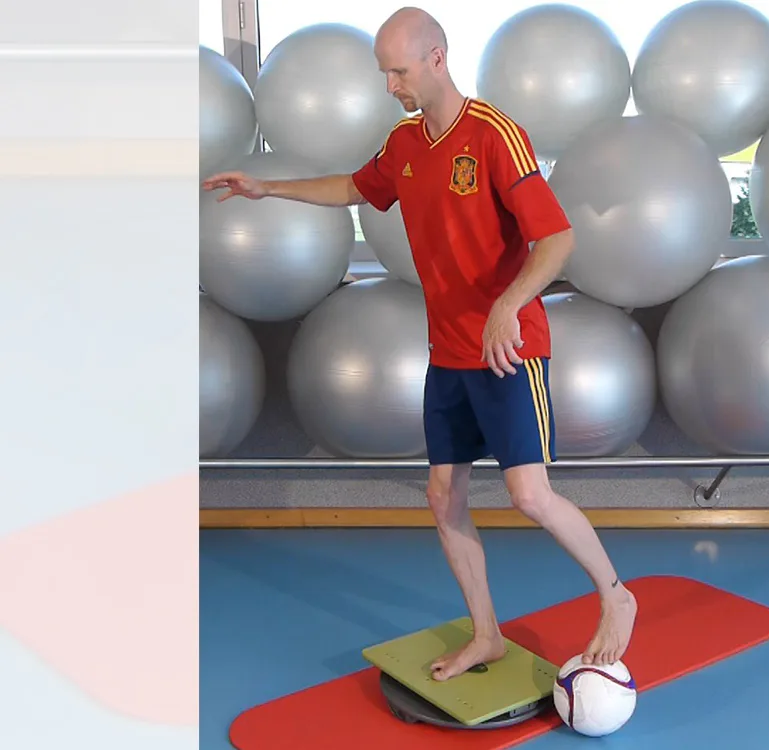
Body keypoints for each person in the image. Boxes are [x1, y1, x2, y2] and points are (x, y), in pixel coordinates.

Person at [202, 6, 637, 681]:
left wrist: (507, 306)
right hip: (449, 354)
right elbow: (354, 186)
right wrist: (269, 188)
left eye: (398, 72)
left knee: (529, 495)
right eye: (384, 73)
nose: (391, 86)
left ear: (437, 59)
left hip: (508, 349)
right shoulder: (404, 144)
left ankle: (616, 596)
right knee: (443, 496)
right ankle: (486, 635)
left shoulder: (494, 135)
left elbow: (557, 239)